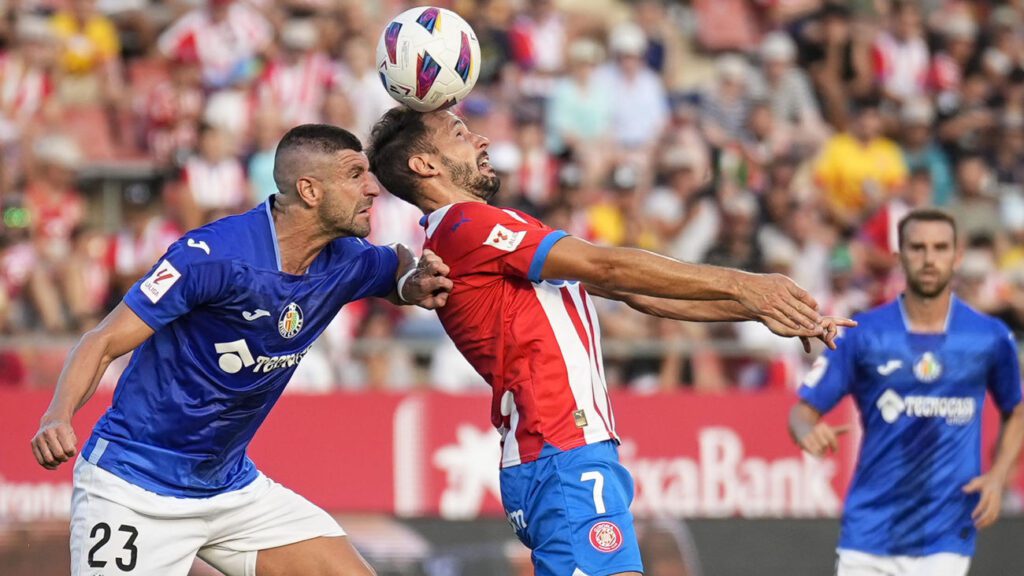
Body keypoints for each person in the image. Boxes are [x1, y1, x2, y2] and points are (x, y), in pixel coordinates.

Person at [366, 107, 852, 576]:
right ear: (424, 165)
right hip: (560, 447)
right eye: (459, 133)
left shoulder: (481, 233)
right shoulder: (468, 226)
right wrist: (745, 284)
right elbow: (608, 265)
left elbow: (632, 291)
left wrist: (766, 310)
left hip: (565, 449)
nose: (481, 139)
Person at [30, 124, 452, 576]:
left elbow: (396, 266)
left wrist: (413, 282)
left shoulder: (346, 259)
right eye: (355, 175)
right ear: (309, 190)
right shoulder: (211, 256)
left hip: (228, 487)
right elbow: (103, 340)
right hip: (134, 486)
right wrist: (57, 415)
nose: (372, 188)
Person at [789, 208, 1024, 576]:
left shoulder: (989, 336)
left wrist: (999, 476)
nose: (929, 259)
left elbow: (1017, 411)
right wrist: (807, 432)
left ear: (957, 256)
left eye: (940, 248)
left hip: (945, 533)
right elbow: (801, 413)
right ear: (899, 256)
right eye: (917, 248)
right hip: (869, 532)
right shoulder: (864, 332)